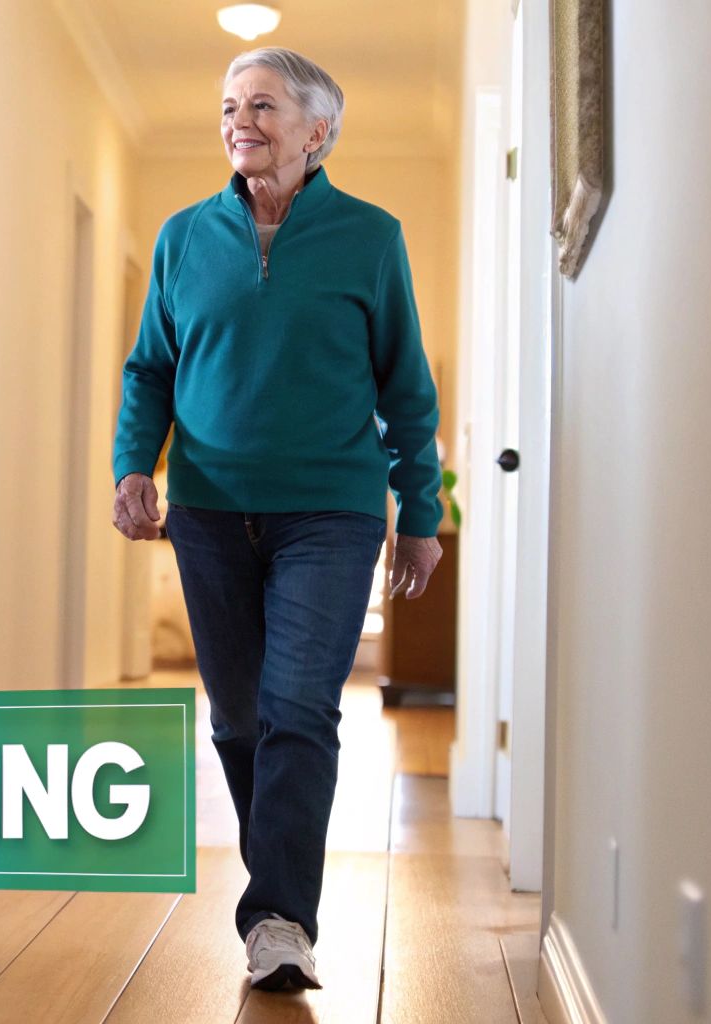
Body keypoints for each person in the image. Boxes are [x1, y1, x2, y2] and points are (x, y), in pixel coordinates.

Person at [109, 46, 444, 992]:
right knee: (240, 720)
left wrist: (417, 514)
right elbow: (150, 371)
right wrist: (135, 463)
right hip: (211, 514)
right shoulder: (183, 238)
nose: (238, 121)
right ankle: (281, 888)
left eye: (261, 105)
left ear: (316, 131)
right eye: (228, 106)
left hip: (331, 514)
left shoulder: (371, 239)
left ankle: (280, 919)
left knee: (300, 709)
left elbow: (405, 389)